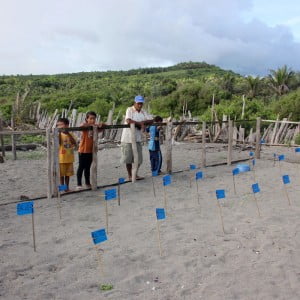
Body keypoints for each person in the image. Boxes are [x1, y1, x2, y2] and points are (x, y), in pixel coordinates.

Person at [120, 95, 153, 181]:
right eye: (138, 103)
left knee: (138, 159)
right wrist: (140, 124)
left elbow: (151, 120)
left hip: (137, 138)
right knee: (128, 158)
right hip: (128, 138)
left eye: (141, 103)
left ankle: (135, 173)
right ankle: (130, 175)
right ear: (135, 102)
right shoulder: (129, 110)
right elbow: (128, 120)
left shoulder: (143, 112)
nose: (140, 105)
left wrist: (143, 122)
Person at [76, 111, 104, 190]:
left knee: (88, 168)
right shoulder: (86, 127)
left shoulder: (95, 127)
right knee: (81, 167)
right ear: (86, 119)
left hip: (91, 151)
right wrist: (91, 124)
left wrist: (101, 124)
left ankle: (87, 183)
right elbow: (81, 125)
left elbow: (103, 127)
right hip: (83, 150)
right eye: (90, 118)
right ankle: (79, 184)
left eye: (94, 119)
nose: (92, 120)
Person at [56, 117, 77, 192]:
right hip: (61, 158)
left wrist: (68, 133)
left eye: (61, 125)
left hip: (69, 158)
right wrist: (58, 132)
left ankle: (67, 187)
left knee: (68, 174)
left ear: (67, 125)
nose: (60, 127)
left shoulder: (70, 134)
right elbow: (58, 143)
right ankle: (62, 187)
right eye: (58, 125)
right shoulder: (59, 134)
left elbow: (74, 142)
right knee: (61, 175)